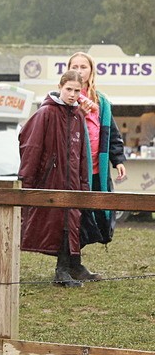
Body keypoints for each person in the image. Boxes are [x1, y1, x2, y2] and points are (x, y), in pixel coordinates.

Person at [18, 70, 90, 287]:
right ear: (60, 87)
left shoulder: (78, 116)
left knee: (71, 223)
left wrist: (84, 183)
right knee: (59, 224)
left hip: (72, 181)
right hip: (51, 180)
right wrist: (28, 179)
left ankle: (70, 266)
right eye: (69, 89)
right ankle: (62, 271)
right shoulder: (45, 113)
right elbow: (31, 146)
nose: (72, 94)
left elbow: (82, 154)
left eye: (77, 91)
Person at [66, 52, 127, 281]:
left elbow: (112, 135)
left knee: (94, 217)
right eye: (75, 66)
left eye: (84, 66)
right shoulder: (64, 98)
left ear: (91, 71)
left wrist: (118, 160)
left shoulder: (101, 101)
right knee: (72, 218)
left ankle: (74, 264)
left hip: (96, 171)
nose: (79, 70)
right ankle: (68, 265)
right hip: (72, 172)